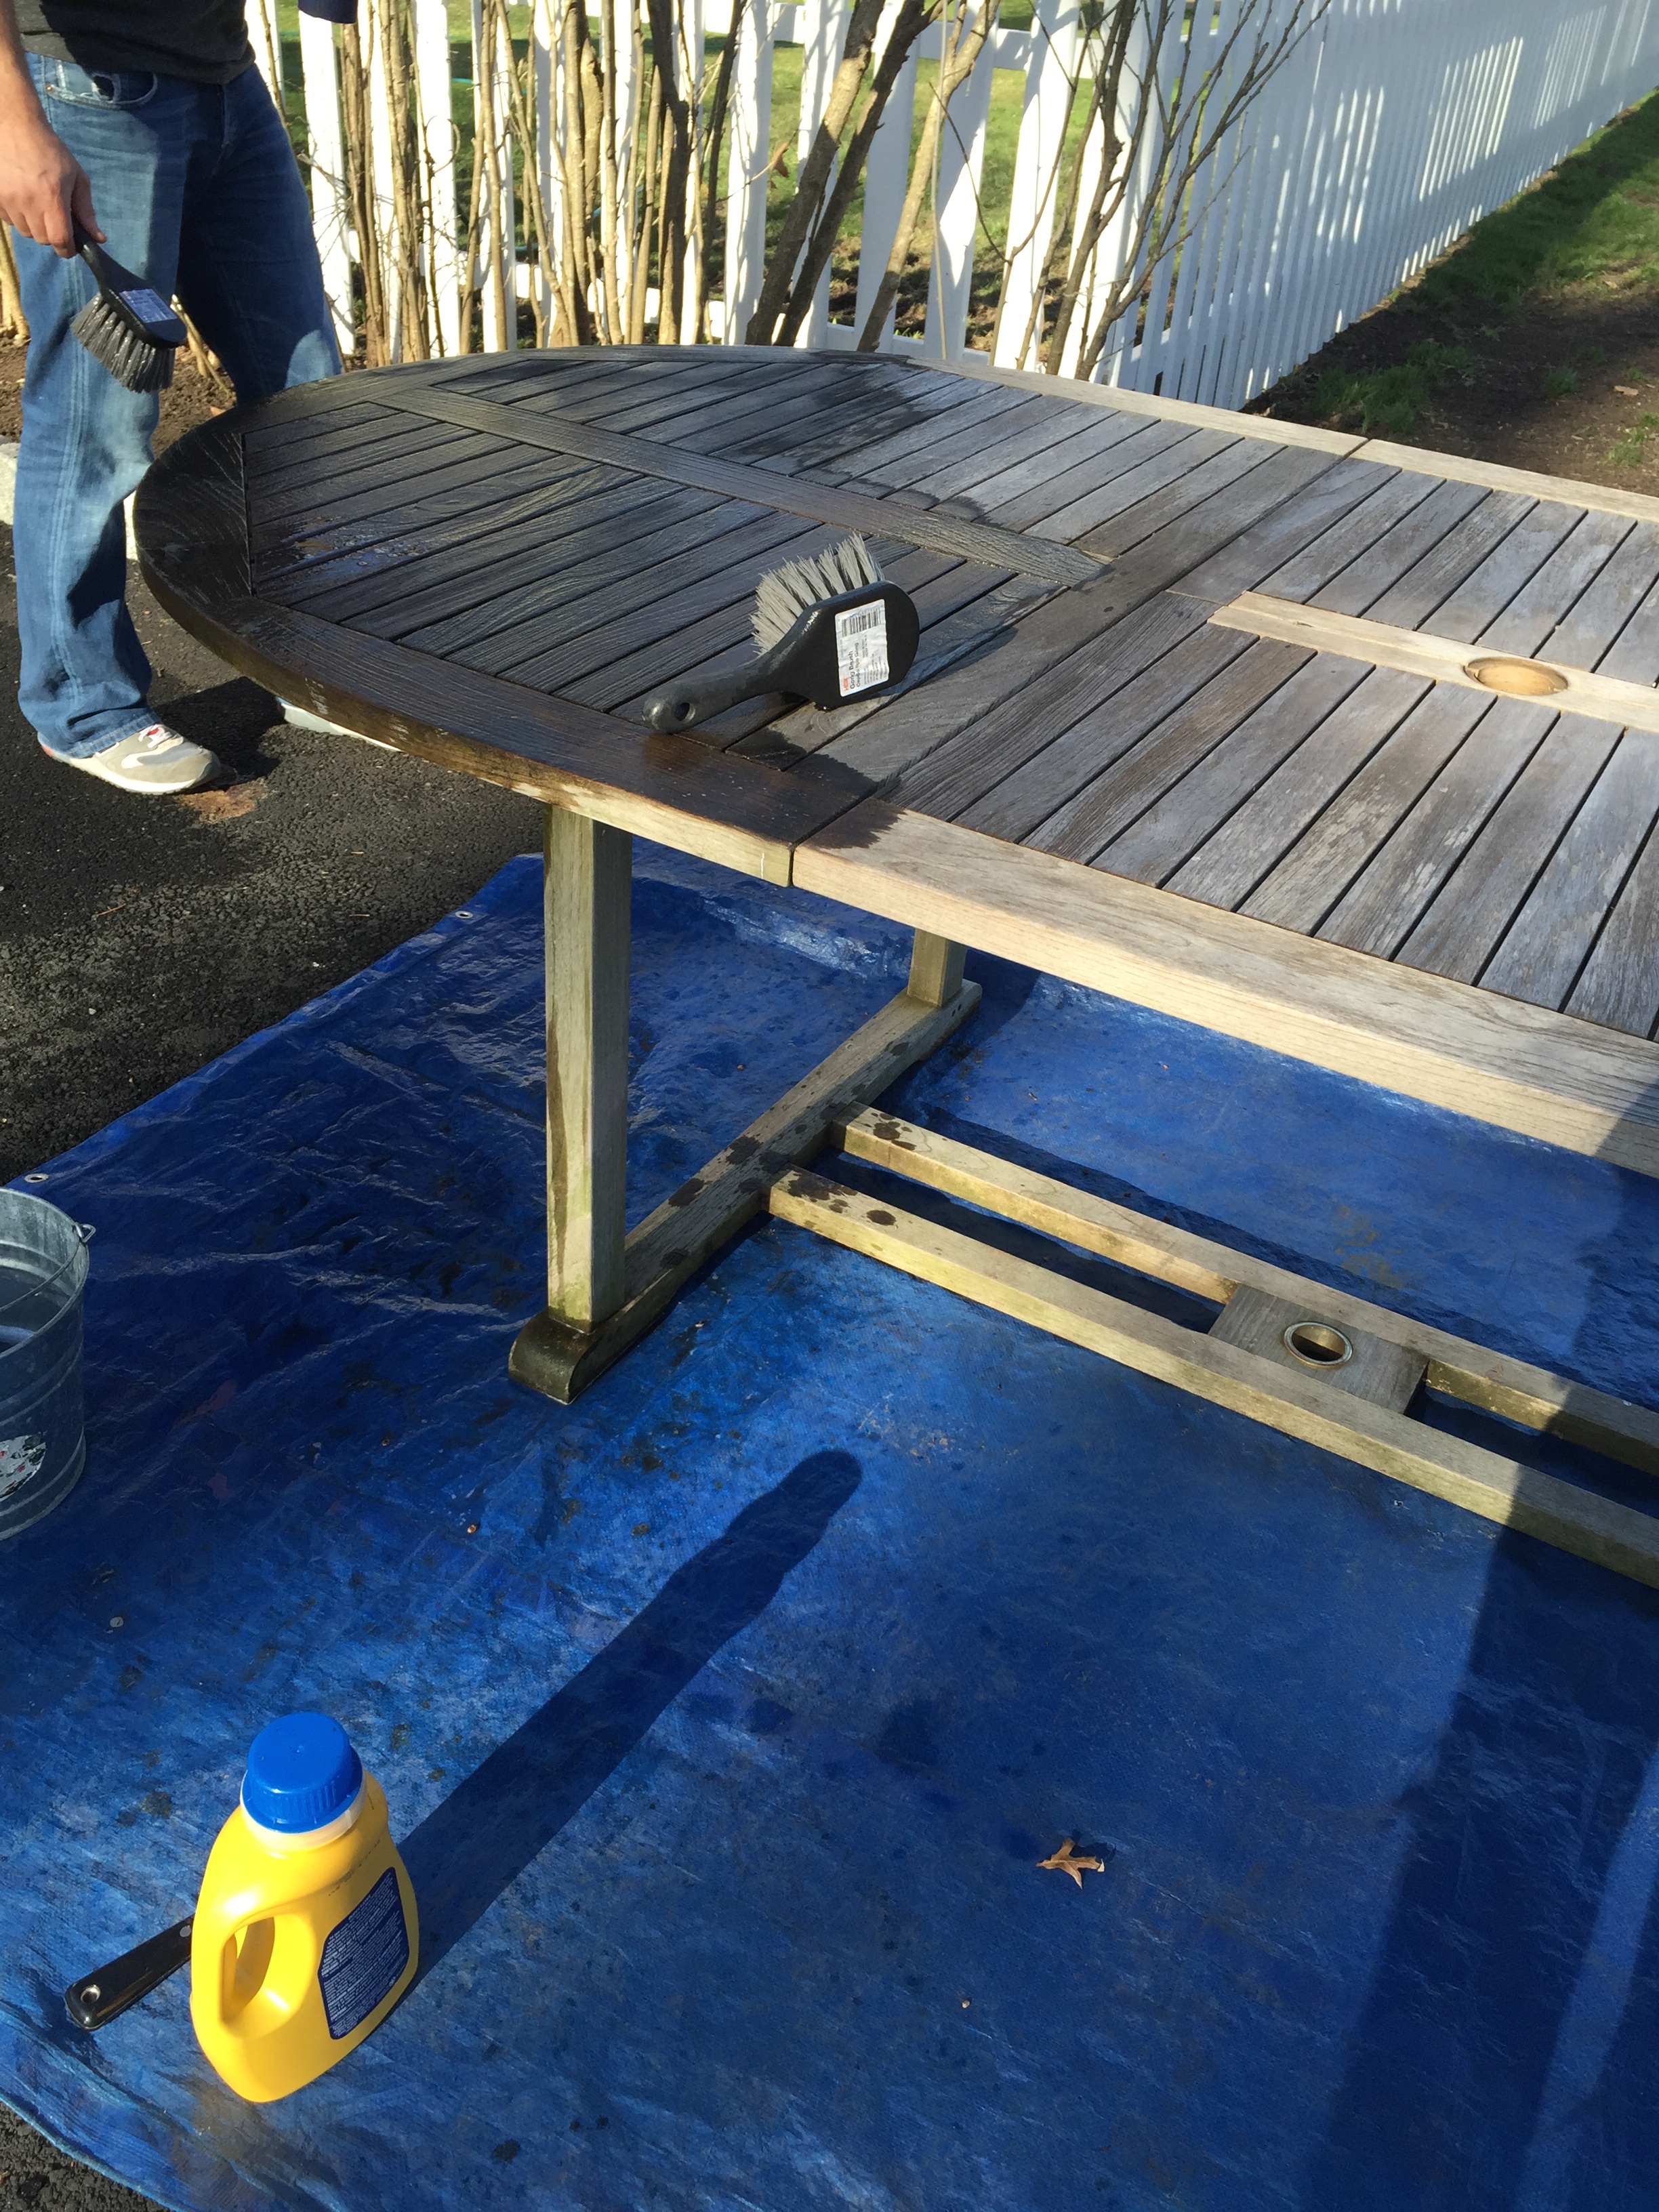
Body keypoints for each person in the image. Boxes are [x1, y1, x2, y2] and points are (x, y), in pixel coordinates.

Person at [0, 0, 340, 794]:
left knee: (306, 396)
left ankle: (299, 658)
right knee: (98, 420)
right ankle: (82, 708)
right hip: (87, 88)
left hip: (227, 78)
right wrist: (13, 124)